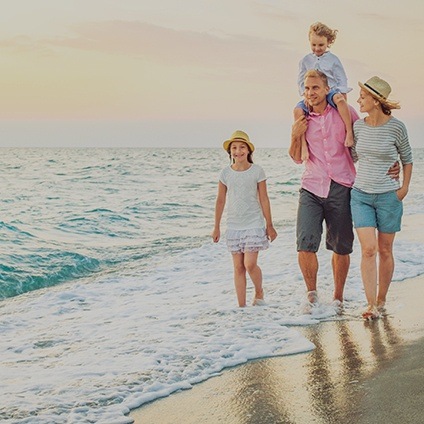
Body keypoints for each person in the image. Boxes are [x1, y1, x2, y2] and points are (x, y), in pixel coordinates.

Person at [289, 69, 358, 314]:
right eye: (307, 89)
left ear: (327, 89)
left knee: (341, 246)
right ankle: (312, 295)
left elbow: (364, 140)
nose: (310, 93)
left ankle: (338, 297)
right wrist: (294, 135)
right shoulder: (302, 119)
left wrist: (390, 163)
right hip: (311, 186)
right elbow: (296, 157)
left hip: (342, 185)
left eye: (315, 88)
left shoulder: (345, 113)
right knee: (304, 244)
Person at [351, 76, 413, 320]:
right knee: (369, 249)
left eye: (363, 97)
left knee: (385, 250)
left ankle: (382, 298)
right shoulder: (358, 127)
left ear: (376, 101)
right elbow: (355, 157)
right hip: (361, 196)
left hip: (389, 196)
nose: (359, 100)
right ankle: (370, 305)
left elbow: (407, 158)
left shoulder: (397, 127)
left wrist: (404, 188)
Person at [212, 130, 278, 307]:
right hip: (233, 225)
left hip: (253, 223)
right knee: (238, 268)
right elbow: (220, 200)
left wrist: (269, 225)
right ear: (230, 152)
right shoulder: (225, 173)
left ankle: (259, 290)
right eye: (234, 148)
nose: (238, 151)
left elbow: (264, 198)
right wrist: (216, 226)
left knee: (249, 264)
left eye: (242, 147)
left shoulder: (257, 171)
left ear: (248, 150)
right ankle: (241, 308)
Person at [294, 22, 353, 161]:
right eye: (313, 45)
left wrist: (342, 97)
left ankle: (349, 132)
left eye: (321, 45)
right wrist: (306, 96)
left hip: (330, 92)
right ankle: (303, 145)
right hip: (310, 95)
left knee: (339, 100)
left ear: (328, 43)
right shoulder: (305, 60)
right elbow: (301, 80)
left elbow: (341, 79)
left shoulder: (333, 60)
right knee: (297, 111)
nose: (317, 48)